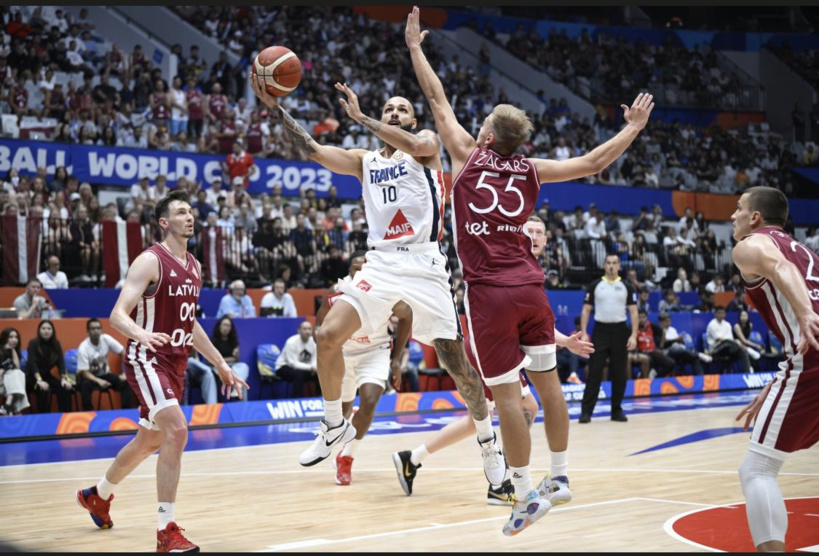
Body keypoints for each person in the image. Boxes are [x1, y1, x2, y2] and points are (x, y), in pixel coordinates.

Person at [406, 6, 652, 536]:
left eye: (483, 125)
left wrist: (415, 49)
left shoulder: (468, 156)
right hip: (531, 287)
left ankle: (519, 490)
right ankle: (559, 477)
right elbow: (592, 163)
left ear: (489, 137)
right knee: (549, 387)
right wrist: (631, 128)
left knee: (503, 398)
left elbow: (435, 99)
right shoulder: (532, 169)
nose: (475, 128)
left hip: (489, 292)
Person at [249, 52, 504, 481]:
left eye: (401, 108)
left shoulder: (426, 145)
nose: (395, 112)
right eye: (390, 108)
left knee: (455, 364)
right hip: (381, 263)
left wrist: (364, 117)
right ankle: (332, 425)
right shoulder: (365, 162)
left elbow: (421, 144)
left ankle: (488, 444)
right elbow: (311, 149)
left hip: (425, 265)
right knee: (328, 334)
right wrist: (276, 108)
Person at [75, 190, 248, 553]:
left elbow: (191, 323)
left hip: (176, 363)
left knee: (149, 441)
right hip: (146, 357)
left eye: (191, 211)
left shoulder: (195, 266)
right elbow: (118, 315)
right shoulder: (149, 261)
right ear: (164, 222)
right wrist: (141, 334)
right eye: (181, 212)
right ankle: (165, 530)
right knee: (177, 430)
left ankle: (98, 495)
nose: (190, 216)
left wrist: (220, 363)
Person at [392, 218, 594, 506]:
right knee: (521, 407)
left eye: (540, 233)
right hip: (485, 343)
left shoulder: (530, 269)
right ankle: (504, 484)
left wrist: (564, 342)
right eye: (530, 231)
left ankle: (412, 458)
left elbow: (534, 322)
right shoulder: (507, 260)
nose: (535, 236)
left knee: (482, 416)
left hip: (497, 340)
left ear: (547, 240)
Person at [730, 186, 819, 552]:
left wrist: (805, 314)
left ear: (755, 217)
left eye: (738, 209)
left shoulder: (751, 245)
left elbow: (777, 267)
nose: (732, 215)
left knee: (757, 470)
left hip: (811, 357)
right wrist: (776, 383)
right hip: (803, 361)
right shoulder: (806, 252)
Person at [315, 251, 413, 486]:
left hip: (375, 351)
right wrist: (328, 352)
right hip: (344, 353)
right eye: (352, 269)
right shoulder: (337, 292)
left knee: (369, 401)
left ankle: (347, 456)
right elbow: (320, 324)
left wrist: (396, 359)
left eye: (361, 268)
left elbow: (406, 317)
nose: (357, 272)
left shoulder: (384, 291)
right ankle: (330, 438)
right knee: (344, 410)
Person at [579, 254, 639, 423]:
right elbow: (586, 310)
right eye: (608, 263)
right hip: (601, 331)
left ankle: (616, 410)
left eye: (614, 263)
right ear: (604, 265)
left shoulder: (627, 286)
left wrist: (634, 335)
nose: (611, 266)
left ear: (619, 266)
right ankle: (586, 412)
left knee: (620, 373)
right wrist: (584, 332)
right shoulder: (595, 285)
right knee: (595, 372)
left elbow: (634, 312)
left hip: (620, 331)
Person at [76, 318, 133, 411]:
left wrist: (125, 372)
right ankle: (89, 414)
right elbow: (85, 373)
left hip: (105, 374)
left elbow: (124, 353)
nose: (96, 331)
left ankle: (126, 412)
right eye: (93, 329)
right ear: (88, 331)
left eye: (98, 328)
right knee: (84, 386)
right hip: (89, 377)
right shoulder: (83, 347)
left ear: (101, 330)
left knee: (125, 383)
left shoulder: (106, 339)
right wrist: (98, 381)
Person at [26, 320, 72, 413]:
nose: (46, 331)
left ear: (52, 331)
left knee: (64, 388)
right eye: (43, 328)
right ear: (39, 330)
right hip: (33, 378)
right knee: (43, 389)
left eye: (49, 329)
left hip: (47, 376)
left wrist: (64, 378)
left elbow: (61, 363)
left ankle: (65, 416)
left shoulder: (56, 344)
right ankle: (43, 417)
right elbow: (32, 363)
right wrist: (39, 380)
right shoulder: (33, 343)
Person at [274, 320, 318, 398]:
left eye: (309, 329)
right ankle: (297, 399)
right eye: (304, 329)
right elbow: (292, 363)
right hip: (284, 367)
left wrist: (315, 368)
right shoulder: (291, 342)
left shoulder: (314, 342)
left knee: (320, 374)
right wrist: (311, 367)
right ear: (299, 331)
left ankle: (321, 398)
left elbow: (314, 360)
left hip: (304, 368)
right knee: (299, 374)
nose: (307, 331)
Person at [209, 316, 250, 401]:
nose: (226, 328)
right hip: (218, 368)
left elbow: (236, 360)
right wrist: (228, 359)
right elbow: (213, 360)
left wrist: (236, 355)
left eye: (228, 326)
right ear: (219, 326)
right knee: (236, 375)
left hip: (232, 366)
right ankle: (238, 387)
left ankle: (238, 389)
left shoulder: (233, 340)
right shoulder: (213, 341)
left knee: (244, 367)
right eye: (224, 325)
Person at [706, 306, 751, 373]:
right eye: (719, 313)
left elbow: (730, 338)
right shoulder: (712, 324)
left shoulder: (727, 324)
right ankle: (739, 347)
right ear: (715, 314)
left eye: (723, 313)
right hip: (716, 349)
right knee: (728, 343)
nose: (721, 315)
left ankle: (748, 373)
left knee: (743, 351)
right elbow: (719, 339)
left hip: (728, 348)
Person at [0, 327, 31, 416]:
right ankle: (16, 410)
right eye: (11, 337)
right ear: (5, 338)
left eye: (16, 337)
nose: (14, 339)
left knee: (18, 373)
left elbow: (17, 366)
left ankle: (7, 406)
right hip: (1, 382)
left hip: (9, 383)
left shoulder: (14, 352)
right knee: (17, 376)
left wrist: (12, 350)